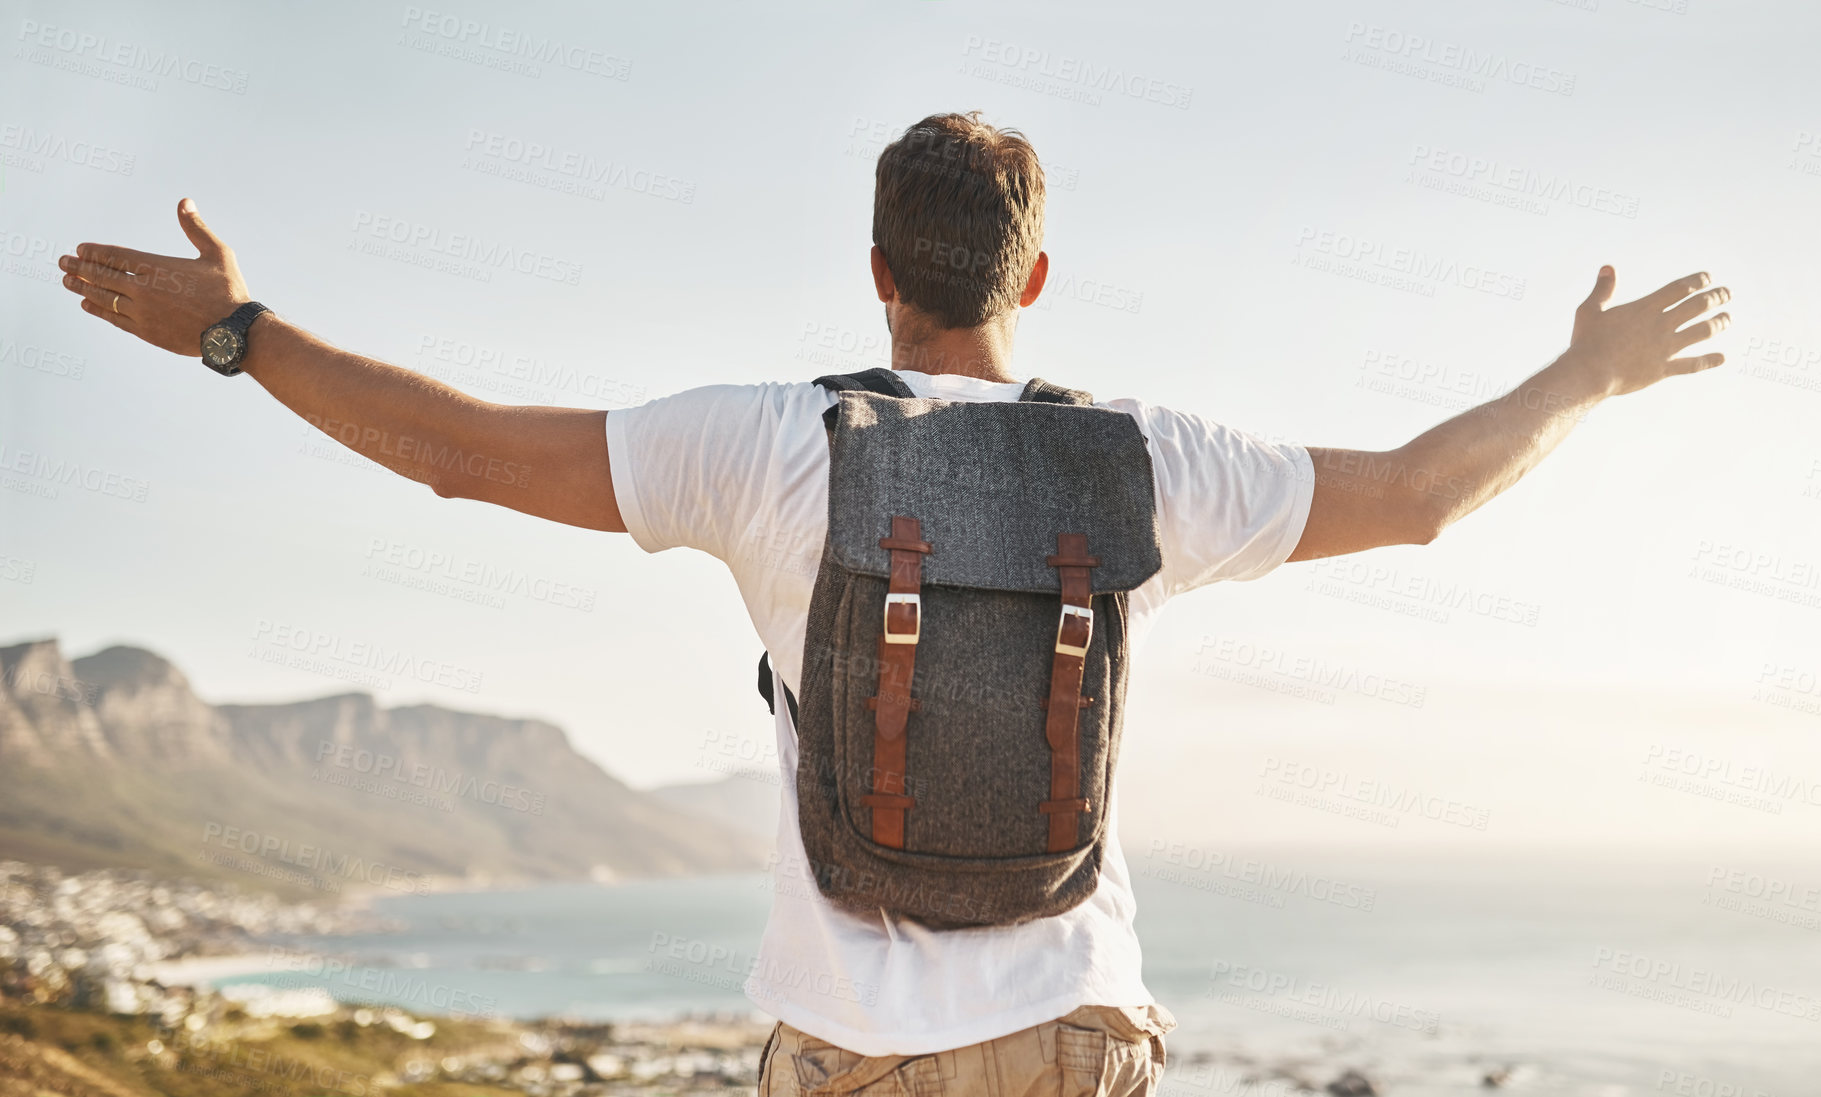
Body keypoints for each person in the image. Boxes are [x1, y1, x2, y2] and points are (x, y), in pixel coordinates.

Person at [55, 110, 1729, 1096]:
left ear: (875, 268)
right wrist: (1580, 378)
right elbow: (1422, 495)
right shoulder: (1148, 465)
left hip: (844, 1045)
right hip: (1071, 1023)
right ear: (1038, 278)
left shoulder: (768, 444)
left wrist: (240, 331)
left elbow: (460, 457)